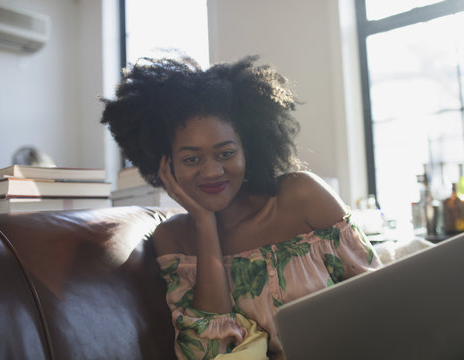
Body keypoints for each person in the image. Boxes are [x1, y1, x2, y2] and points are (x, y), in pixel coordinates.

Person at [101, 56, 382, 360]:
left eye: (226, 153)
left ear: (249, 150)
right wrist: (205, 225)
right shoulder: (173, 239)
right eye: (191, 159)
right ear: (164, 164)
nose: (211, 172)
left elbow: (380, 300)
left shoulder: (303, 196)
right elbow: (210, 352)